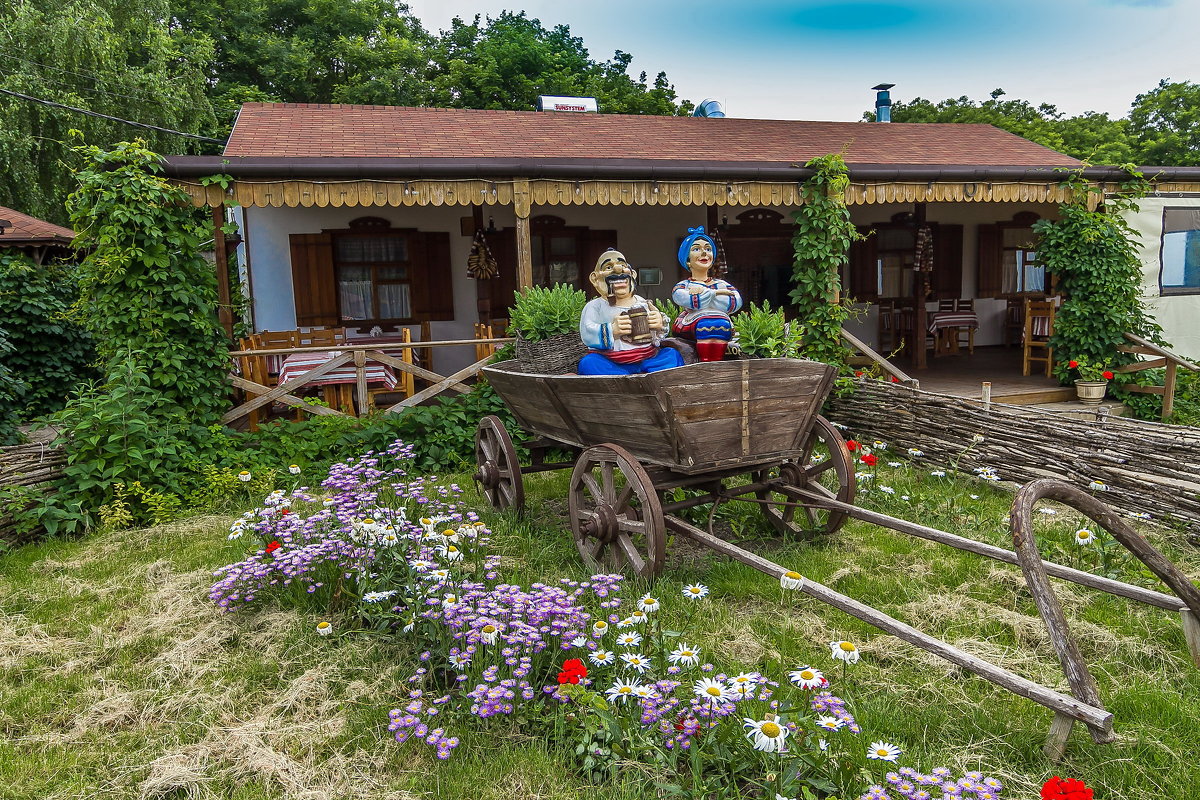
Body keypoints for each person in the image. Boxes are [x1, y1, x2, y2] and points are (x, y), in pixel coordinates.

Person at [578, 249, 684, 375]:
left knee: (671, 355)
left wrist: (659, 323)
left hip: (647, 358)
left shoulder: (642, 302)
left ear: (632, 274)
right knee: (589, 363)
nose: (618, 270)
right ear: (595, 278)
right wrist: (612, 330)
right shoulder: (595, 306)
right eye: (608, 267)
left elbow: (658, 333)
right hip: (612, 361)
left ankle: (646, 377)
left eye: (623, 266)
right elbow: (587, 332)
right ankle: (627, 381)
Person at [671, 226, 743, 362]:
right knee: (712, 323)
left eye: (708, 249)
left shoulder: (721, 283)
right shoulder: (683, 285)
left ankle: (714, 364)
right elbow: (682, 297)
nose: (704, 253)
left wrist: (706, 293)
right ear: (687, 260)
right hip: (691, 323)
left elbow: (735, 302)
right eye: (696, 249)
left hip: (720, 322)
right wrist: (716, 295)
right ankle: (707, 366)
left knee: (718, 323)